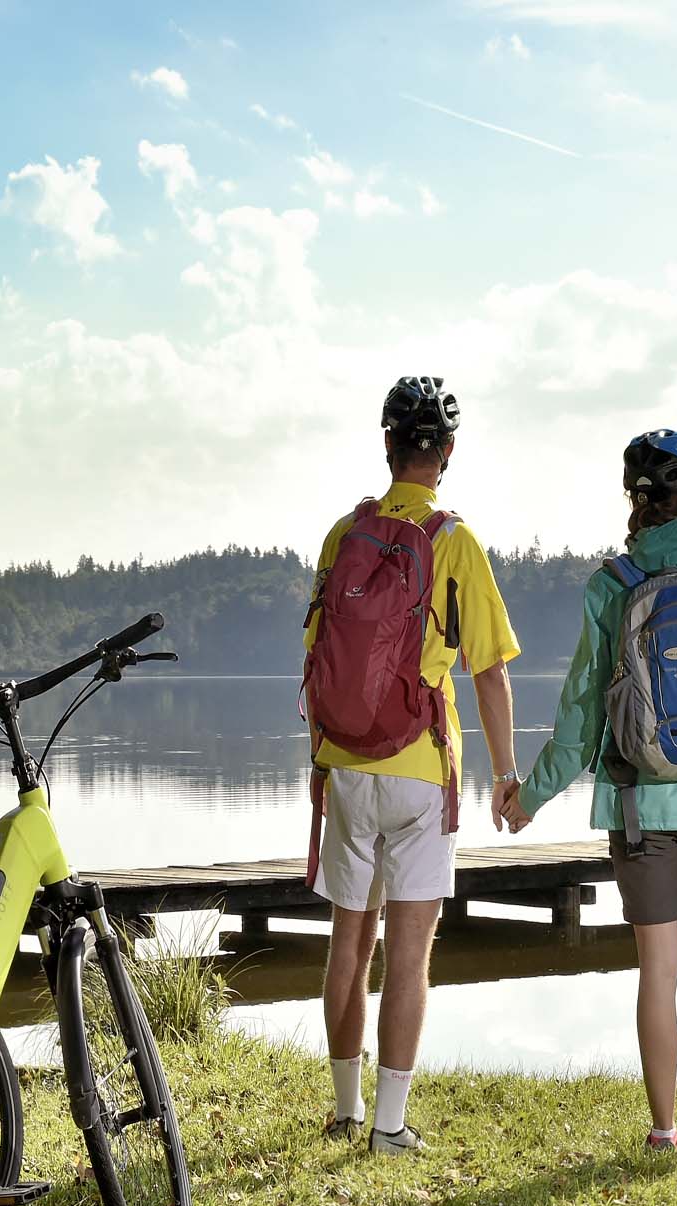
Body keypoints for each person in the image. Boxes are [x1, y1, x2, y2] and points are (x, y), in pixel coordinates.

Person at [498, 429, 677, 1152]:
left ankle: (663, 1130)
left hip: (636, 805)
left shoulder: (612, 585)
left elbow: (582, 713)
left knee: (657, 967)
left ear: (635, 500)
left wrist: (531, 795)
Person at [303, 375, 521, 1155]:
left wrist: (321, 764)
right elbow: (488, 671)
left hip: (344, 762)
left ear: (388, 444)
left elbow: (316, 661)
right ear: (447, 452)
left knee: (349, 945)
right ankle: (389, 1128)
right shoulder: (454, 540)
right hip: (421, 768)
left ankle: (345, 1110)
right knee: (408, 956)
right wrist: (505, 773)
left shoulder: (343, 535)